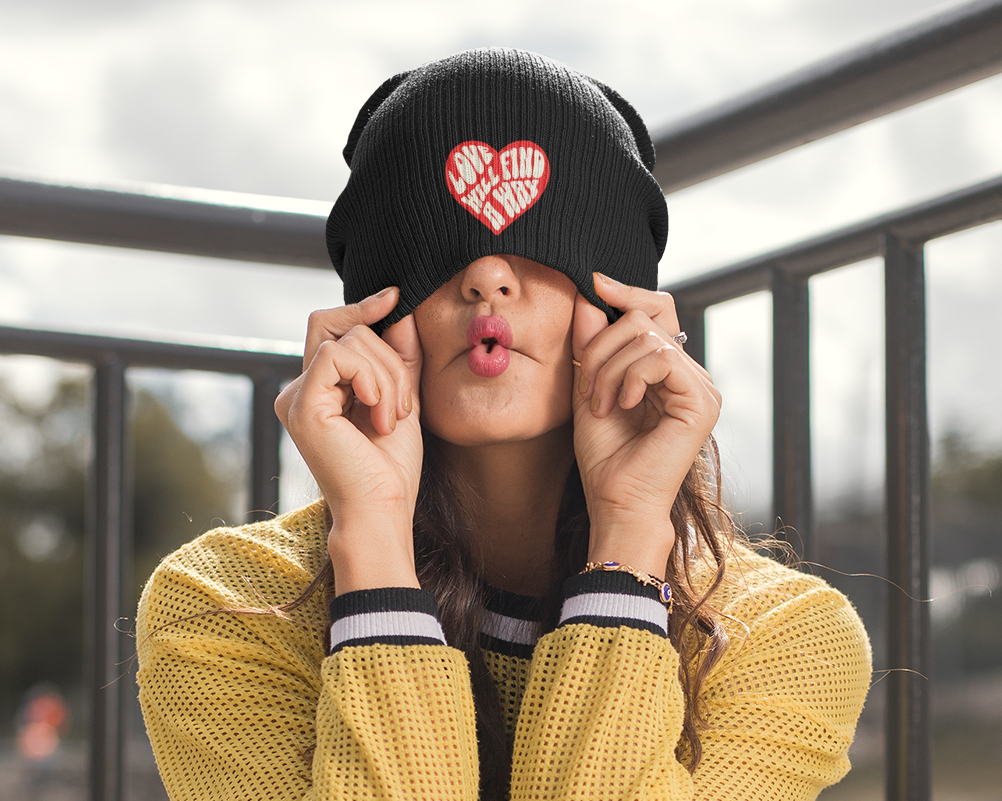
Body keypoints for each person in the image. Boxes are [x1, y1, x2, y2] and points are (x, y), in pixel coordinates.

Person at [136, 48, 871, 801]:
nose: (488, 275)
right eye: (433, 242)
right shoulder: (226, 605)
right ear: (368, 316)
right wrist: (375, 545)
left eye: (548, 241)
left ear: (627, 309)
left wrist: (627, 539)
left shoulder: (783, 635)